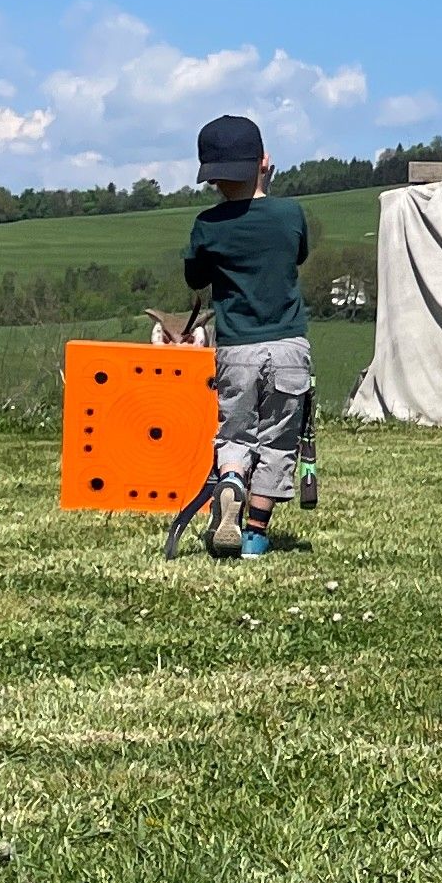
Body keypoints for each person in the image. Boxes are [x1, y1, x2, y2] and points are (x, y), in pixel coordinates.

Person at [183, 113, 316, 558]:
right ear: (264, 163)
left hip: (237, 349)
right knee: (278, 439)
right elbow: (297, 254)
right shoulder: (289, 214)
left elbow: (195, 278)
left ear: (212, 178)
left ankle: (233, 481)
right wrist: (267, 191)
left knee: (235, 434)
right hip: (288, 348)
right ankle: (255, 535)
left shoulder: (207, 225)